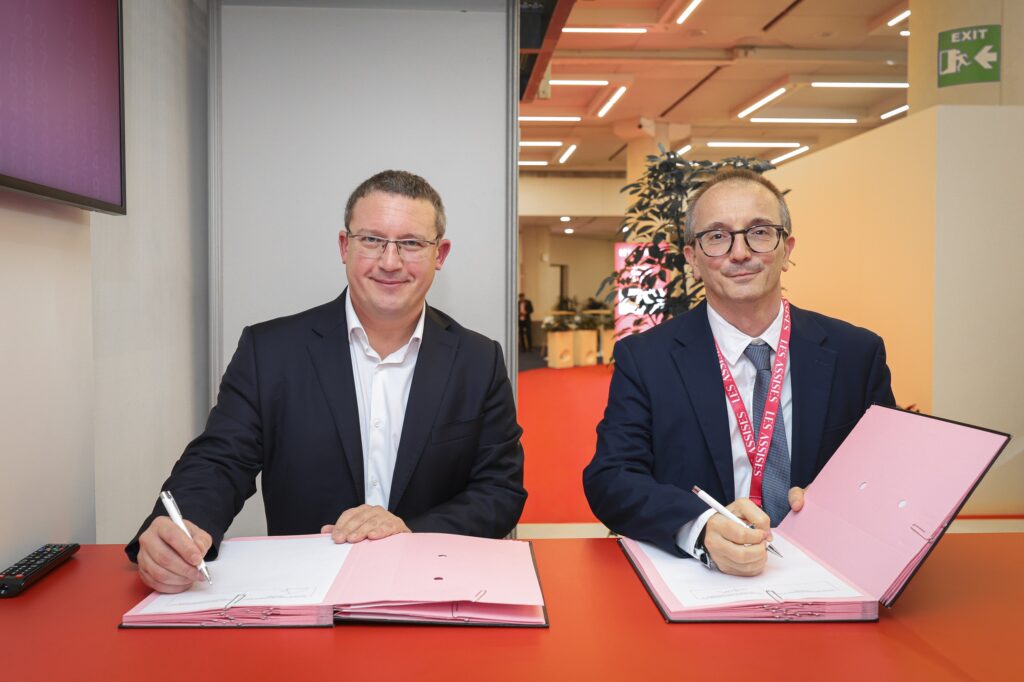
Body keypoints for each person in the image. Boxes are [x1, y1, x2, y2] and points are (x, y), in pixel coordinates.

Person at [127, 170, 527, 593]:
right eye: (371, 240)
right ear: (344, 246)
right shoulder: (271, 352)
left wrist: (411, 530)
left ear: (439, 254)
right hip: (303, 596)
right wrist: (181, 527)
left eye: (411, 243)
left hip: (431, 589)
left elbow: (499, 490)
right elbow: (220, 461)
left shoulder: (478, 361)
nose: (390, 262)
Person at [583, 168, 894, 577]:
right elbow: (612, 479)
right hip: (702, 580)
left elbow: (890, 472)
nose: (741, 252)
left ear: (787, 249)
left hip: (828, 571)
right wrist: (700, 528)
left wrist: (839, 503)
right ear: (692, 259)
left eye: (759, 232)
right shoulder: (647, 359)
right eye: (717, 236)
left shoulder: (856, 353)